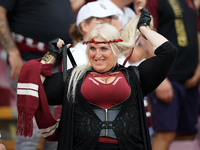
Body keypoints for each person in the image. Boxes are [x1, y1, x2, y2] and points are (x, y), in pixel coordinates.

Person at [16, 8, 177, 150]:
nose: (97, 54)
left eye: (104, 48)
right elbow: (36, 89)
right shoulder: (73, 77)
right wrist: (50, 56)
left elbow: (168, 52)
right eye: (92, 48)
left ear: (116, 49)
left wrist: (144, 28)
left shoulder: (134, 76)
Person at [0, 0, 75, 150]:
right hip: (28, 62)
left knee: (57, 128)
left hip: (58, 63)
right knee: (30, 131)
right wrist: (12, 51)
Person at [145, 0, 200, 150]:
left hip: (190, 77)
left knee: (188, 133)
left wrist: (199, 67)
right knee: (166, 132)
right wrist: (160, 78)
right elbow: (147, 34)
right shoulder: (153, 1)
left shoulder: (189, 1)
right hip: (168, 75)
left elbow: (197, 32)